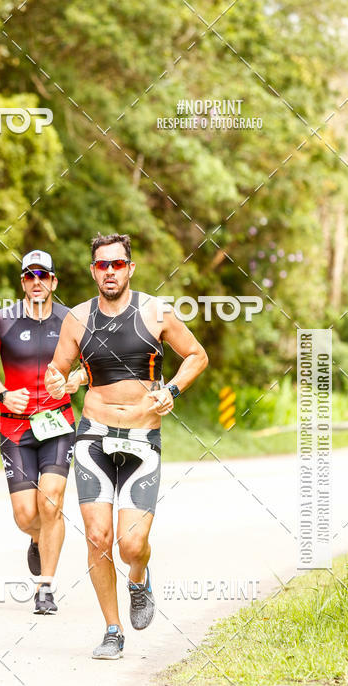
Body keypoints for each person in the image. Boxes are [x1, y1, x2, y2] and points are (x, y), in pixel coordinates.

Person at [45, 233, 208, 658]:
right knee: (98, 537)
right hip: (94, 435)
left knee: (130, 544)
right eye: (102, 265)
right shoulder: (77, 319)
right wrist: (55, 379)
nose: (110, 271)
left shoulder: (157, 312)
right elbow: (59, 370)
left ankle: (139, 578)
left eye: (118, 264)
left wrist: (171, 388)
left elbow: (196, 355)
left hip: (142, 437)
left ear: (130, 268)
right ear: (93, 270)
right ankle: (112, 630)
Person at [0, 249, 86, 614]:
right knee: (26, 514)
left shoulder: (71, 320)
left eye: (43, 276)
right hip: (16, 427)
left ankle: (46, 588)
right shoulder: (1, 322)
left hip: (57, 424)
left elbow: (90, 369)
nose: (36, 282)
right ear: (22, 282)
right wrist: (4, 393)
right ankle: (39, 539)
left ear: (54, 281)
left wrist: (72, 383)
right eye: (29, 276)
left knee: (50, 501)